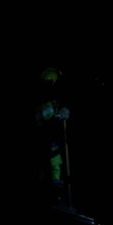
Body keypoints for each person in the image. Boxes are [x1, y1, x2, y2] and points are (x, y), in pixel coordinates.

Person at [35, 67, 71, 206]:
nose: (53, 84)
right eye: (51, 82)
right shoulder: (42, 98)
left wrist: (62, 113)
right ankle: (50, 197)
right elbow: (39, 117)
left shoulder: (54, 97)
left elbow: (59, 111)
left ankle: (57, 196)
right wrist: (53, 113)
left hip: (53, 141)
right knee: (46, 169)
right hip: (43, 141)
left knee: (56, 166)